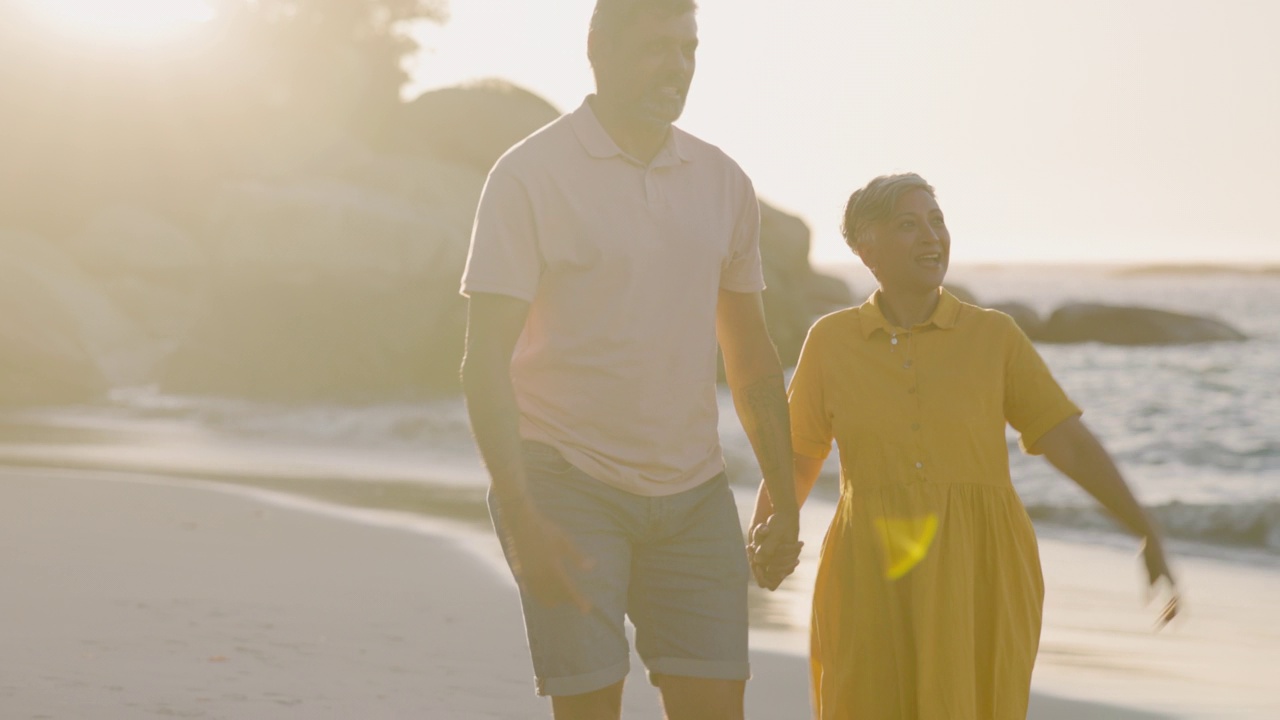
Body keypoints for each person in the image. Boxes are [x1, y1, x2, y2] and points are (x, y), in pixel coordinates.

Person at [458, 1, 800, 718]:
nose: (677, 66)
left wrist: (784, 497)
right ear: (599, 52)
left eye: (688, 49)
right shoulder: (529, 175)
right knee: (589, 707)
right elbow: (483, 359)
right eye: (656, 48)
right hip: (565, 484)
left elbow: (752, 355)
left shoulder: (723, 182)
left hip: (696, 492)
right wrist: (521, 516)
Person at [748, 173, 1179, 719]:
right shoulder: (831, 341)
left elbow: (1067, 441)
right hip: (870, 566)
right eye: (909, 224)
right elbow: (799, 456)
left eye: (937, 220)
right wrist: (770, 532)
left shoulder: (993, 336)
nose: (932, 236)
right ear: (866, 248)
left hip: (983, 566)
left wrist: (1145, 526)